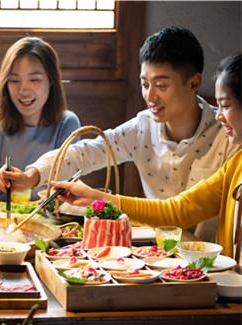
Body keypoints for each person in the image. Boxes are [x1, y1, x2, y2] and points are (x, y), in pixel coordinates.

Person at [0, 26, 239, 240]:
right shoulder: (142, 127)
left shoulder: (229, 134)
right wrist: (32, 175)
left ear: (194, 83)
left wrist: (98, 197)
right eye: (145, 84)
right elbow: (86, 152)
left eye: (162, 85)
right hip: (157, 256)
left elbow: (179, 210)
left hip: (214, 265)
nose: (150, 96)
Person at [52, 53, 241, 259]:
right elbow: (175, 211)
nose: (219, 115)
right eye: (144, 84)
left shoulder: (228, 147)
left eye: (227, 105)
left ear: (194, 83)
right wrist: (98, 198)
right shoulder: (235, 166)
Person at [0, 36, 80, 202]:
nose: (23, 90)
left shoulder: (67, 123)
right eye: (14, 80)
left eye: (34, 80)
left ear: (51, 80)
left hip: (48, 222)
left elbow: (69, 179)